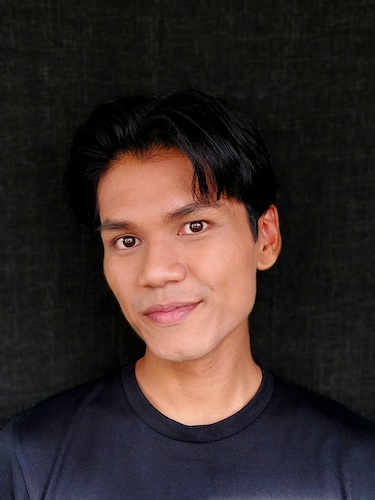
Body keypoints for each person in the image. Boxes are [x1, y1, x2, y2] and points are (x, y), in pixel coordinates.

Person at [1, 87, 374, 499]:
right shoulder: (31, 459)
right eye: (126, 240)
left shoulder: (356, 466)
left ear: (265, 238)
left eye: (194, 226)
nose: (157, 272)